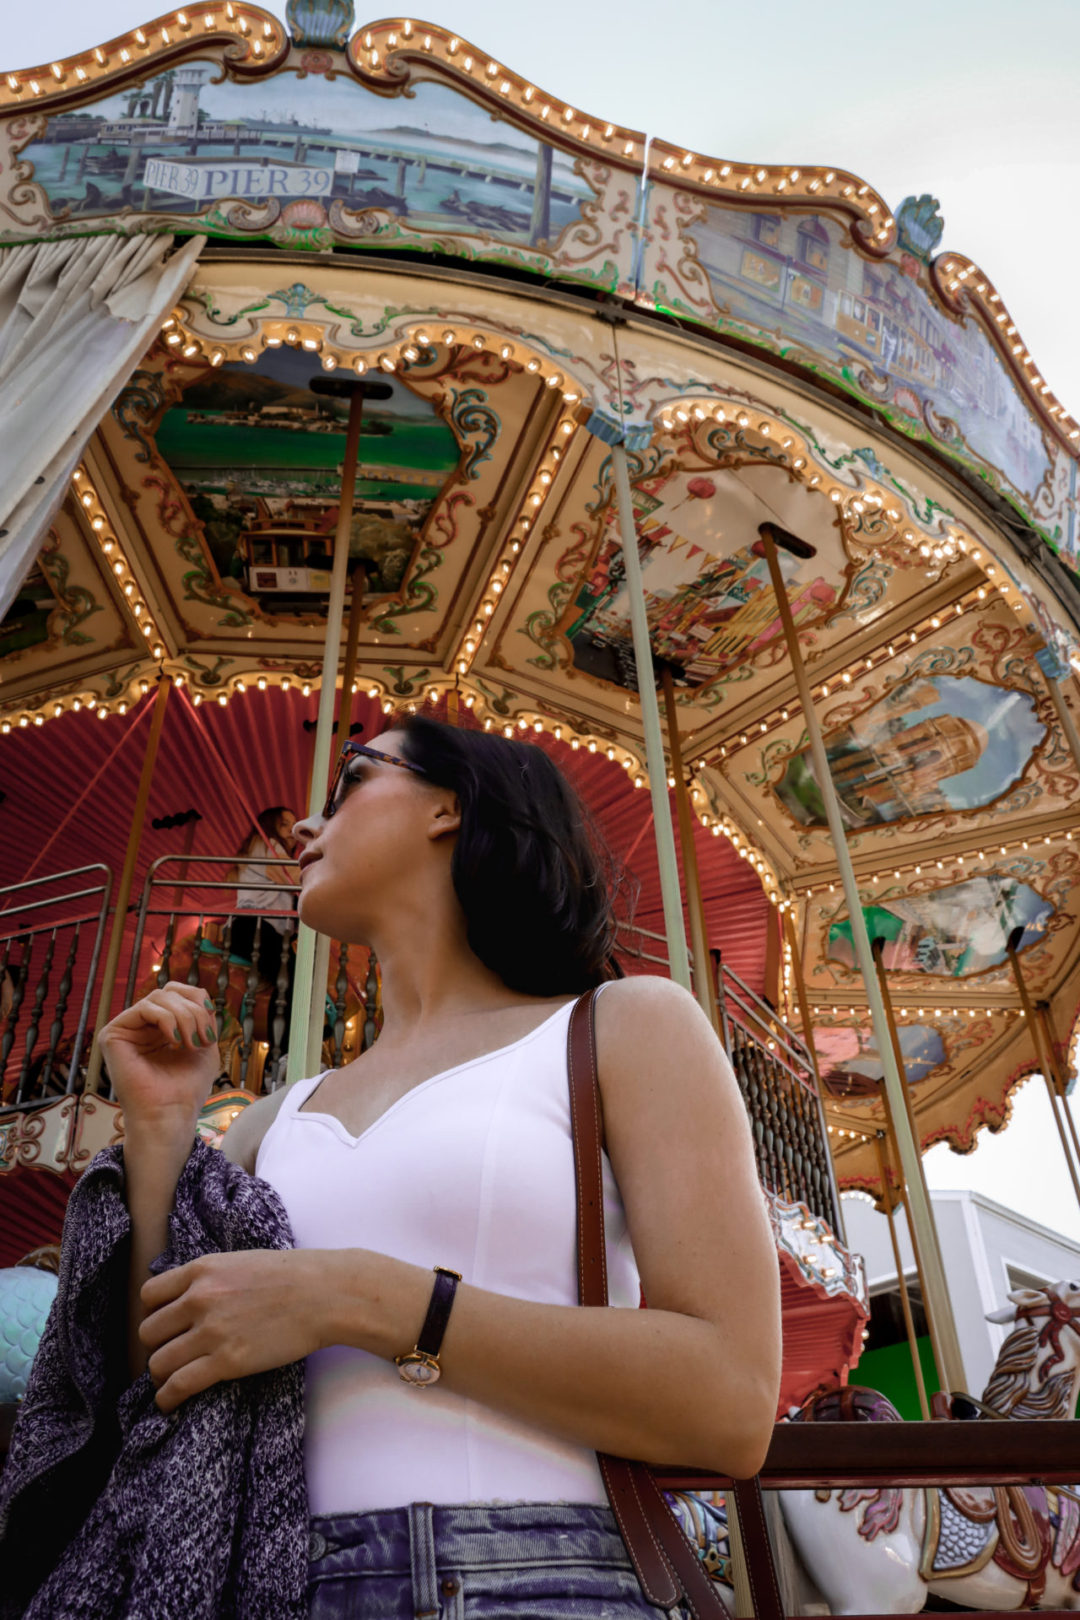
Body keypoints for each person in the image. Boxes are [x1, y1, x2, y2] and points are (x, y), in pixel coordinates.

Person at [99, 716, 781, 1618]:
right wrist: (158, 1130)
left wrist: (362, 1298)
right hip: (276, 1584)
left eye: (348, 782)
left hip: (541, 1572)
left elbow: (730, 1400)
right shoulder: (275, 1119)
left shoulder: (620, 1027)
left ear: (449, 807)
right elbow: (154, 1372)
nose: (303, 829)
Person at [228, 805, 297, 994]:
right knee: (294, 978)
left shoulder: (261, 850)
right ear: (270, 827)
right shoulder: (266, 844)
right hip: (255, 928)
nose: (293, 830)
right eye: (285, 825)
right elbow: (292, 876)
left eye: (294, 825)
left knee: (287, 977)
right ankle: (286, 1024)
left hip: (260, 930)